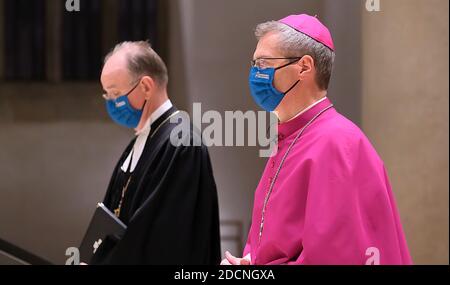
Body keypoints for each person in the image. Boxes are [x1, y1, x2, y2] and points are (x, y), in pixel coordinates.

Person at [222, 14, 412, 265]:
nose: (256, 73)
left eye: (264, 63)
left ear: (304, 67)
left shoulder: (336, 143)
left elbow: (336, 256)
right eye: (254, 64)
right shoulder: (289, 136)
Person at [90, 41, 221, 265]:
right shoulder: (140, 142)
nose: (112, 103)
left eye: (115, 93)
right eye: (107, 96)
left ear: (146, 87)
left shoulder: (181, 143)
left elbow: (164, 237)